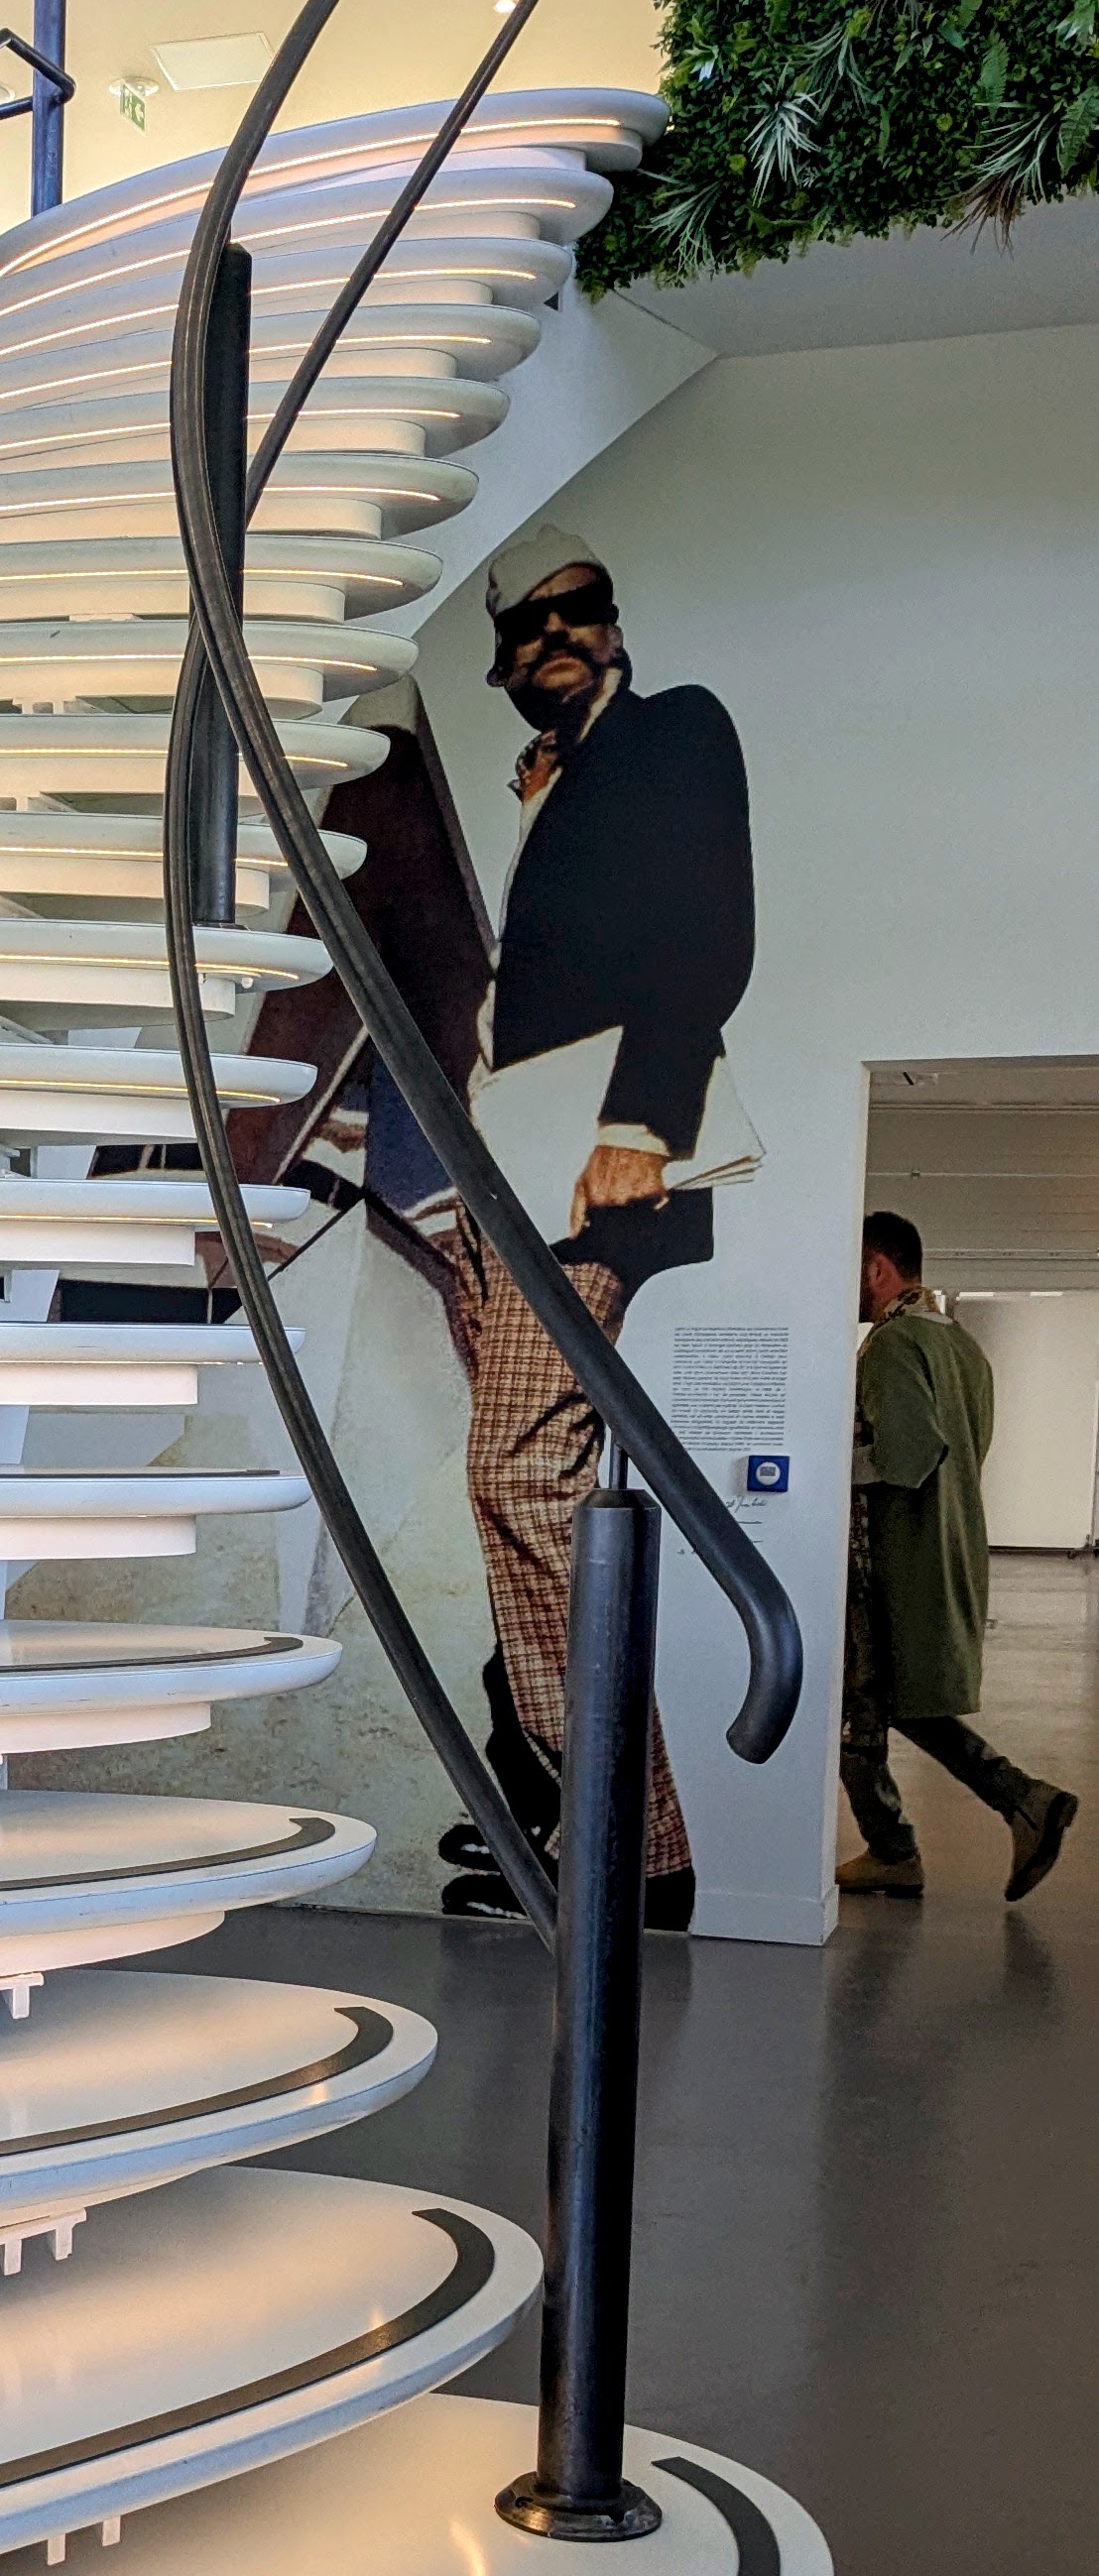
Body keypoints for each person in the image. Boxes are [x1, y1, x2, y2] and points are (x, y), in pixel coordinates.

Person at [441, 519, 757, 1932]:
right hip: (504, 1171)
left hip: (589, 1167)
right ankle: (591, 1825)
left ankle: (640, 1853)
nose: (557, 634)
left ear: (615, 623)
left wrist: (645, 1118)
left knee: (518, 1480)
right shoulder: (554, 780)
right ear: (505, 662)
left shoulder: (675, 729)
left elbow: (709, 927)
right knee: (530, 1504)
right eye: (529, 625)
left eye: (581, 609)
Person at [837, 1210, 1077, 1902]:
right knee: (902, 1701)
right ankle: (1022, 1801)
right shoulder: (961, 1346)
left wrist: (817, 1467)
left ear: (877, 1268)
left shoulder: (893, 1344)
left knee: (859, 1708)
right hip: (943, 1543)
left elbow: (908, 1457)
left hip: (890, 1557)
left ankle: (897, 1848)